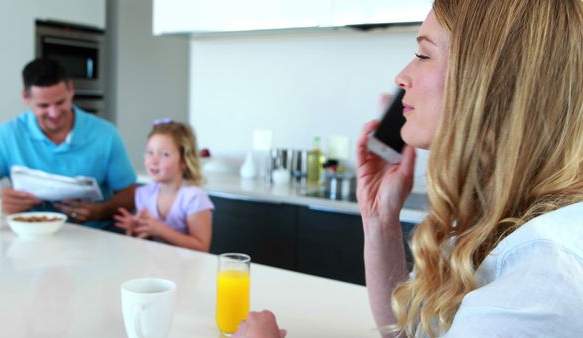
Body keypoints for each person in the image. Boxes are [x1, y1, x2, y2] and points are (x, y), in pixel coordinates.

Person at [234, 0, 583, 337]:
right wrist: (379, 219)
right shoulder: (492, 218)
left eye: (423, 54)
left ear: (490, 81)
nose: (401, 76)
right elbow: (410, 333)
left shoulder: (541, 283)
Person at [0, 58, 137, 232]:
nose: (54, 113)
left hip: (95, 237)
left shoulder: (105, 135)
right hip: (27, 239)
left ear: (71, 90)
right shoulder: (7, 135)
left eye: (60, 102)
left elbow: (130, 195)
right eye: (43, 106)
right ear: (26, 98)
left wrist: (99, 211)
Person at [114, 119, 214, 252]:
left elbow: (202, 248)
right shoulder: (144, 194)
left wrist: (160, 229)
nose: (153, 160)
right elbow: (145, 243)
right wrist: (136, 230)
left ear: (184, 161)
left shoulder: (194, 197)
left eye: (164, 154)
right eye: (150, 152)